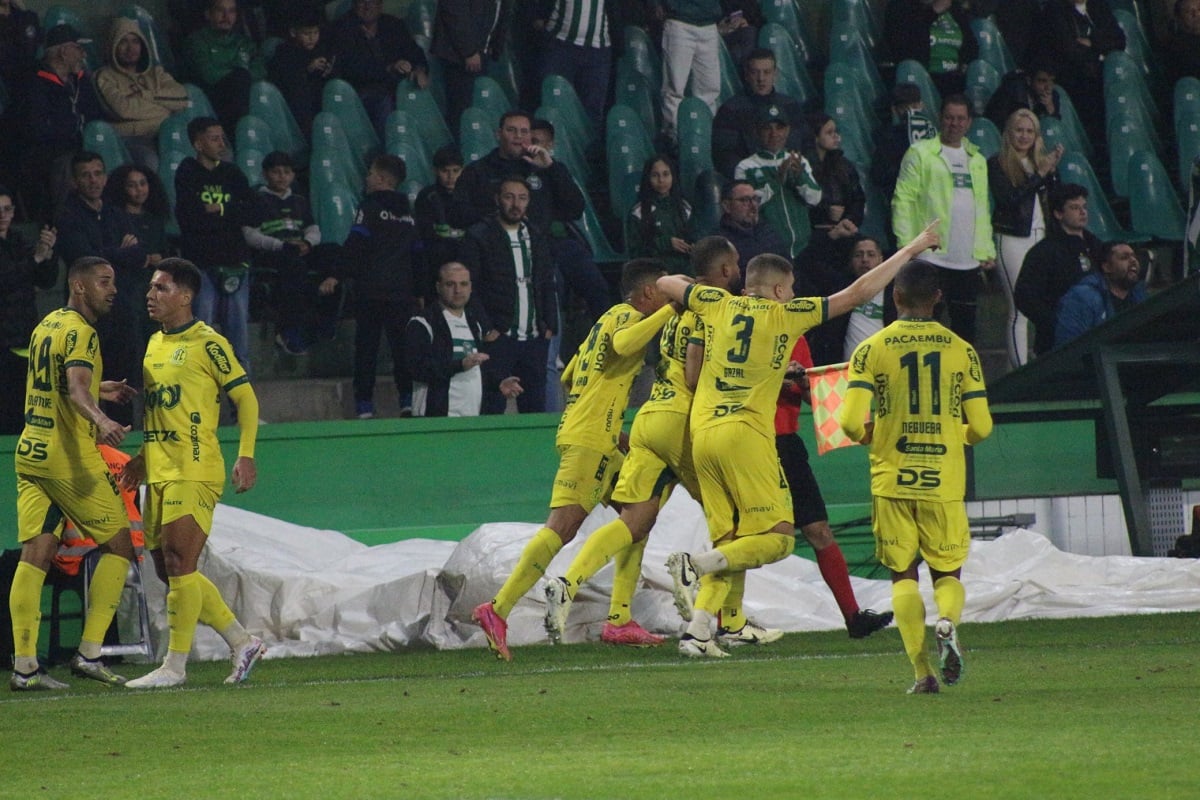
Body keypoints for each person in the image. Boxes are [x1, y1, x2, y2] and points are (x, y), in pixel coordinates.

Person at [659, 222, 940, 658]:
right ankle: (693, 565)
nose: (791, 296)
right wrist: (913, 248)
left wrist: (688, 286)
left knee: (732, 541)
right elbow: (860, 292)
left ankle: (698, 632)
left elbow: (664, 282)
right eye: (788, 289)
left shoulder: (714, 302)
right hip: (748, 436)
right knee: (778, 539)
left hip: (702, 436)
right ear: (775, 292)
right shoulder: (786, 315)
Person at [472, 258, 677, 661]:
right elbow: (622, 347)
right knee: (562, 527)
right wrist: (674, 309)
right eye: (666, 295)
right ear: (650, 293)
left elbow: (571, 378)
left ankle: (619, 619)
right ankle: (497, 609)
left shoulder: (603, 320)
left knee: (641, 515)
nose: (670, 303)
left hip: (594, 435)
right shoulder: (626, 317)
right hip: (587, 442)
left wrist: (609, 423)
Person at [541, 237, 739, 648]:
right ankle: (723, 618)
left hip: (647, 420)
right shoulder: (704, 313)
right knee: (732, 523)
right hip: (681, 423)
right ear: (723, 271)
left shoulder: (650, 319)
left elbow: (570, 374)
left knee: (635, 521)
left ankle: (581, 589)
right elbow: (693, 376)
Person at [838, 258, 993, 694]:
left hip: (892, 478)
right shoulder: (962, 350)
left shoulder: (871, 349)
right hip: (942, 479)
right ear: (939, 298)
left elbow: (849, 423)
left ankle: (923, 673)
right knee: (948, 573)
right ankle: (947, 622)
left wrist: (872, 433)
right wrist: (952, 431)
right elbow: (981, 428)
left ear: (896, 296)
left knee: (903, 575)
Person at [121, 257, 266, 688]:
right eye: (150, 287)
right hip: (161, 468)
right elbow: (160, 410)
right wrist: (144, 459)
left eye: (161, 288)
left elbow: (247, 399)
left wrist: (246, 454)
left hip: (195, 465)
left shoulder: (209, 342)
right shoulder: (154, 344)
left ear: (185, 296)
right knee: (169, 570)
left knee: (181, 562)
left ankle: (174, 666)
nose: (151, 295)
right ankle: (242, 640)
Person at [9, 256, 139, 690]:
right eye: (104, 282)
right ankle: (89, 654)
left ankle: (25, 667)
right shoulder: (83, 332)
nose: (112, 289)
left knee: (35, 556)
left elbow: (57, 381)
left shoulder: (47, 324)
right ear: (80, 287)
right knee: (120, 547)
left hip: (30, 452)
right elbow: (76, 388)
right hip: (69, 457)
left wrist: (102, 385)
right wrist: (102, 419)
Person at [775, 334, 894, 639]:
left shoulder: (795, 334)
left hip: (787, 444)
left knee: (818, 530)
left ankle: (853, 617)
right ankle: (719, 620)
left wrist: (801, 382)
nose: (792, 296)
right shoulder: (740, 328)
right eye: (789, 288)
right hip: (748, 443)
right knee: (744, 536)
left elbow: (811, 395)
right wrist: (769, 379)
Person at [456, 110, 609, 328]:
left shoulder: (545, 167)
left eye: (524, 132)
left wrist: (552, 168)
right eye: (511, 130)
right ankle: (550, 355)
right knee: (551, 286)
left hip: (546, 243)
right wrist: (498, 217)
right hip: (498, 247)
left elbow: (575, 208)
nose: (518, 136)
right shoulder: (478, 171)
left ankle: (609, 344)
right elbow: (458, 213)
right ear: (499, 134)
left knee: (594, 282)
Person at [319, 154, 418, 419]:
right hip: (402, 292)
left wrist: (336, 275)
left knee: (367, 349)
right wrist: (420, 291)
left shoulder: (370, 206)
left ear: (383, 179)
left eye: (371, 173)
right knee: (402, 350)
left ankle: (364, 405)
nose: (367, 177)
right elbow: (418, 252)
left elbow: (356, 245)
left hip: (371, 290)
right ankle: (407, 402)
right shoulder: (408, 211)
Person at [56, 153, 151, 425]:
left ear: (106, 177)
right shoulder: (68, 215)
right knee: (88, 379)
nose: (93, 180)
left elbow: (139, 255)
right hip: (87, 316)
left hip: (121, 311)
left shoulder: (115, 213)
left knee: (122, 383)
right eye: (86, 175)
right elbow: (84, 259)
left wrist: (112, 253)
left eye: (98, 173)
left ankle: (121, 440)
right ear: (75, 181)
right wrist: (120, 251)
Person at [892, 94, 995, 344]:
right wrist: (908, 246)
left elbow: (982, 207)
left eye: (961, 119)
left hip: (967, 261)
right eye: (949, 117)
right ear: (941, 118)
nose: (954, 123)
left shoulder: (978, 160)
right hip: (930, 256)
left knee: (965, 331)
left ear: (969, 122)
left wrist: (986, 248)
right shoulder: (919, 153)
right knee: (924, 326)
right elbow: (903, 199)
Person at [460, 176, 558, 415]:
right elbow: (470, 286)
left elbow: (546, 281)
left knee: (535, 408)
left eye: (522, 198)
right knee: (492, 405)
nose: (516, 204)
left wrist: (550, 324)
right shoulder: (478, 236)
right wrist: (487, 328)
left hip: (535, 338)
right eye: (509, 197)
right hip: (499, 338)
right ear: (497, 199)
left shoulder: (536, 235)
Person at [175, 116, 262, 372]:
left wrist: (221, 209)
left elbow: (255, 213)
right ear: (198, 143)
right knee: (201, 339)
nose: (221, 144)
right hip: (201, 267)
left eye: (222, 138)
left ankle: (243, 411)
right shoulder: (187, 172)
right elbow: (189, 218)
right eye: (214, 139)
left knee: (239, 344)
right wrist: (230, 214)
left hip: (235, 264)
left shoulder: (233, 173)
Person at [988, 109, 1063, 368]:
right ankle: (1020, 371)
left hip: (1040, 236)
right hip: (1011, 236)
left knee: (1040, 305)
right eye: (1019, 130)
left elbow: (1055, 201)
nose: (1024, 136)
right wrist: (1039, 175)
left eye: (1029, 131)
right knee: (1018, 307)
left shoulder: (1041, 163)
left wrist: (1050, 172)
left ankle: (1025, 363)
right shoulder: (997, 163)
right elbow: (1009, 200)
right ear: (1009, 133)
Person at [242, 150, 332, 356]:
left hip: (299, 248)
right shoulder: (257, 199)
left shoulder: (299, 201)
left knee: (333, 253)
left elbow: (312, 229)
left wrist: (307, 243)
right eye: (276, 172)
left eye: (287, 172)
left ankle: (326, 321)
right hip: (273, 253)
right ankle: (288, 331)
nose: (282, 177)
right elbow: (249, 234)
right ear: (265, 174)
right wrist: (280, 245)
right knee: (295, 266)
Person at [406, 261, 523, 417]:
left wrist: (498, 383)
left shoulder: (475, 323)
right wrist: (459, 365)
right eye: (450, 284)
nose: (458, 290)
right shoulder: (422, 323)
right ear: (438, 287)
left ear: (471, 287)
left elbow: (478, 369)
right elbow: (417, 369)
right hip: (435, 419)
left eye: (463, 284)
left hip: (472, 418)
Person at [21, 24, 103, 222]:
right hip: (48, 153)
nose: (84, 55)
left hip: (81, 146)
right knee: (68, 166)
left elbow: (95, 114)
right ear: (64, 52)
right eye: (79, 49)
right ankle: (62, 228)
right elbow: (37, 130)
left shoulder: (81, 79)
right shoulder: (34, 82)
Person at [1013, 182, 1102, 357]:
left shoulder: (1098, 247)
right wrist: (1055, 323)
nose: (1083, 212)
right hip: (1056, 346)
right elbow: (1025, 296)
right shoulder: (1043, 252)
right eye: (1075, 208)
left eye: (1084, 207)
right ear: (1058, 213)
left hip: (1096, 337)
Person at [94, 15, 190, 169]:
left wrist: (146, 96)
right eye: (123, 42)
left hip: (164, 133)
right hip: (132, 138)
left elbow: (182, 98)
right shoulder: (104, 76)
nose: (130, 48)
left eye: (135, 41)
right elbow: (123, 110)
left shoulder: (156, 73)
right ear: (113, 45)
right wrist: (164, 109)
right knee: (150, 162)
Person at [734, 104, 823, 262]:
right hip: (769, 249)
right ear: (757, 131)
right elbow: (748, 206)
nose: (774, 134)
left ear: (787, 130)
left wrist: (799, 177)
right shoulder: (746, 166)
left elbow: (815, 198)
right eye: (767, 128)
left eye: (779, 128)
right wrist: (777, 180)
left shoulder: (799, 161)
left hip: (804, 248)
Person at [0, 186, 55, 435]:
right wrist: (35, 259)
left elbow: (45, 280)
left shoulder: (18, 239)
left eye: (7, 209)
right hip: (3, 340)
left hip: (23, 337)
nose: (3, 215)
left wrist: (48, 253)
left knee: (23, 410)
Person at [711, 47, 813, 179]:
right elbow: (724, 156)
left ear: (775, 74)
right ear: (747, 75)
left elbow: (808, 145)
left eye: (767, 72)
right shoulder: (730, 110)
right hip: (752, 183)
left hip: (793, 179)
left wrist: (802, 173)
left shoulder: (790, 106)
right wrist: (759, 177)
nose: (761, 78)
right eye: (755, 72)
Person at [331, 0, 428, 136]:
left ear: (380, 5)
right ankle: (387, 151)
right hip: (359, 91)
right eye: (362, 2)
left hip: (396, 87)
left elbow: (415, 53)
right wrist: (389, 68)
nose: (367, 6)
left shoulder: (393, 24)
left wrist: (419, 69)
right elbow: (350, 68)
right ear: (354, 4)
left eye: (372, 2)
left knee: (416, 92)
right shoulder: (341, 28)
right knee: (384, 101)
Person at [1038, 0, 1125, 145]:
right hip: (1076, 79)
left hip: (1101, 72)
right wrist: (1101, 52)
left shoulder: (1098, 5)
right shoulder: (1055, 11)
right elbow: (1070, 51)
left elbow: (1120, 40)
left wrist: (1093, 42)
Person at [182, 0, 265, 134]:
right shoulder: (197, 40)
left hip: (242, 94)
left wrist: (238, 74)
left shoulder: (244, 42)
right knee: (240, 76)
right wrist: (238, 70)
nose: (226, 16)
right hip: (212, 97)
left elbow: (260, 71)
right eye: (220, 10)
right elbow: (209, 74)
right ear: (208, 14)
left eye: (232, 11)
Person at [534, 0, 612, 137]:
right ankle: (550, 150)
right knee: (553, 100)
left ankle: (586, 153)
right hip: (560, 44)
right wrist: (537, 16)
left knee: (592, 108)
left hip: (598, 49)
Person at [801, 112, 865, 271]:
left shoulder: (844, 165)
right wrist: (825, 210)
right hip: (814, 236)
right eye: (829, 133)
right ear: (815, 136)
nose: (837, 137)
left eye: (836, 132)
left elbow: (858, 199)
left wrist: (849, 220)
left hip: (843, 232)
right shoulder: (802, 166)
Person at [431, 0, 506, 136]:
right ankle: (462, 148)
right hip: (460, 56)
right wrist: (469, 51)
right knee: (462, 108)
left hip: (483, 51)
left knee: (478, 103)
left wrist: (493, 45)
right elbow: (454, 15)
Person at [655, 0, 723, 143]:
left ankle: (705, 136)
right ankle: (674, 137)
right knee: (675, 88)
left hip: (709, 23)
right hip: (679, 22)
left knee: (710, 87)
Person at [1054, 241, 1147, 347]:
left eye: (1134, 256)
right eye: (1124, 257)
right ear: (1107, 267)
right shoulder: (1082, 297)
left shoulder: (1139, 296)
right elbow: (1067, 348)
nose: (1133, 261)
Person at [414, 145, 476, 294]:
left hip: (465, 263)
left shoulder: (470, 195)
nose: (451, 177)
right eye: (445, 171)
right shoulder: (427, 196)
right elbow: (424, 234)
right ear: (435, 171)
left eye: (456, 171)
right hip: (435, 265)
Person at [884, 0, 978, 97]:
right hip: (922, 82)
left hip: (955, 79)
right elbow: (905, 49)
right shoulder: (900, 6)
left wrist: (965, 65)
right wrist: (933, 12)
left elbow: (971, 46)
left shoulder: (954, 9)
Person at [266, 9, 337, 136]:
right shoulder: (284, 52)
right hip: (298, 107)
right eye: (306, 33)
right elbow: (287, 83)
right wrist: (308, 69)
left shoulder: (322, 49)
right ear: (294, 32)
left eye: (315, 32)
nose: (312, 38)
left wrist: (329, 70)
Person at [871, 83, 936, 212]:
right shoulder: (886, 137)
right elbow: (878, 175)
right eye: (907, 108)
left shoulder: (934, 136)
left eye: (914, 106)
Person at [626, 154, 695, 274]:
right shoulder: (638, 212)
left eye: (666, 174)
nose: (661, 180)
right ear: (647, 178)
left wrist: (696, 246)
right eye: (655, 175)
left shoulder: (685, 207)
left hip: (687, 272)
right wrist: (666, 244)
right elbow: (635, 252)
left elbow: (695, 236)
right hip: (656, 274)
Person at [717, 178, 788, 274]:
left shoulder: (768, 230)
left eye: (755, 199)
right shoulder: (721, 243)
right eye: (745, 200)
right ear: (727, 206)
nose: (753, 206)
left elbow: (788, 267)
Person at [984, 63, 1063, 132]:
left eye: (1051, 81)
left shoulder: (1053, 96)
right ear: (1029, 80)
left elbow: (1055, 131)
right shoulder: (1009, 92)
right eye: (1042, 81)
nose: (1048, 87)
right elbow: (996, 126)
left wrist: (1051, 111)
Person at [1163, 0, 1200, 86]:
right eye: (1188, 11)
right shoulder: (1176, 47)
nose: (1197, 14)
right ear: (1179, 18)